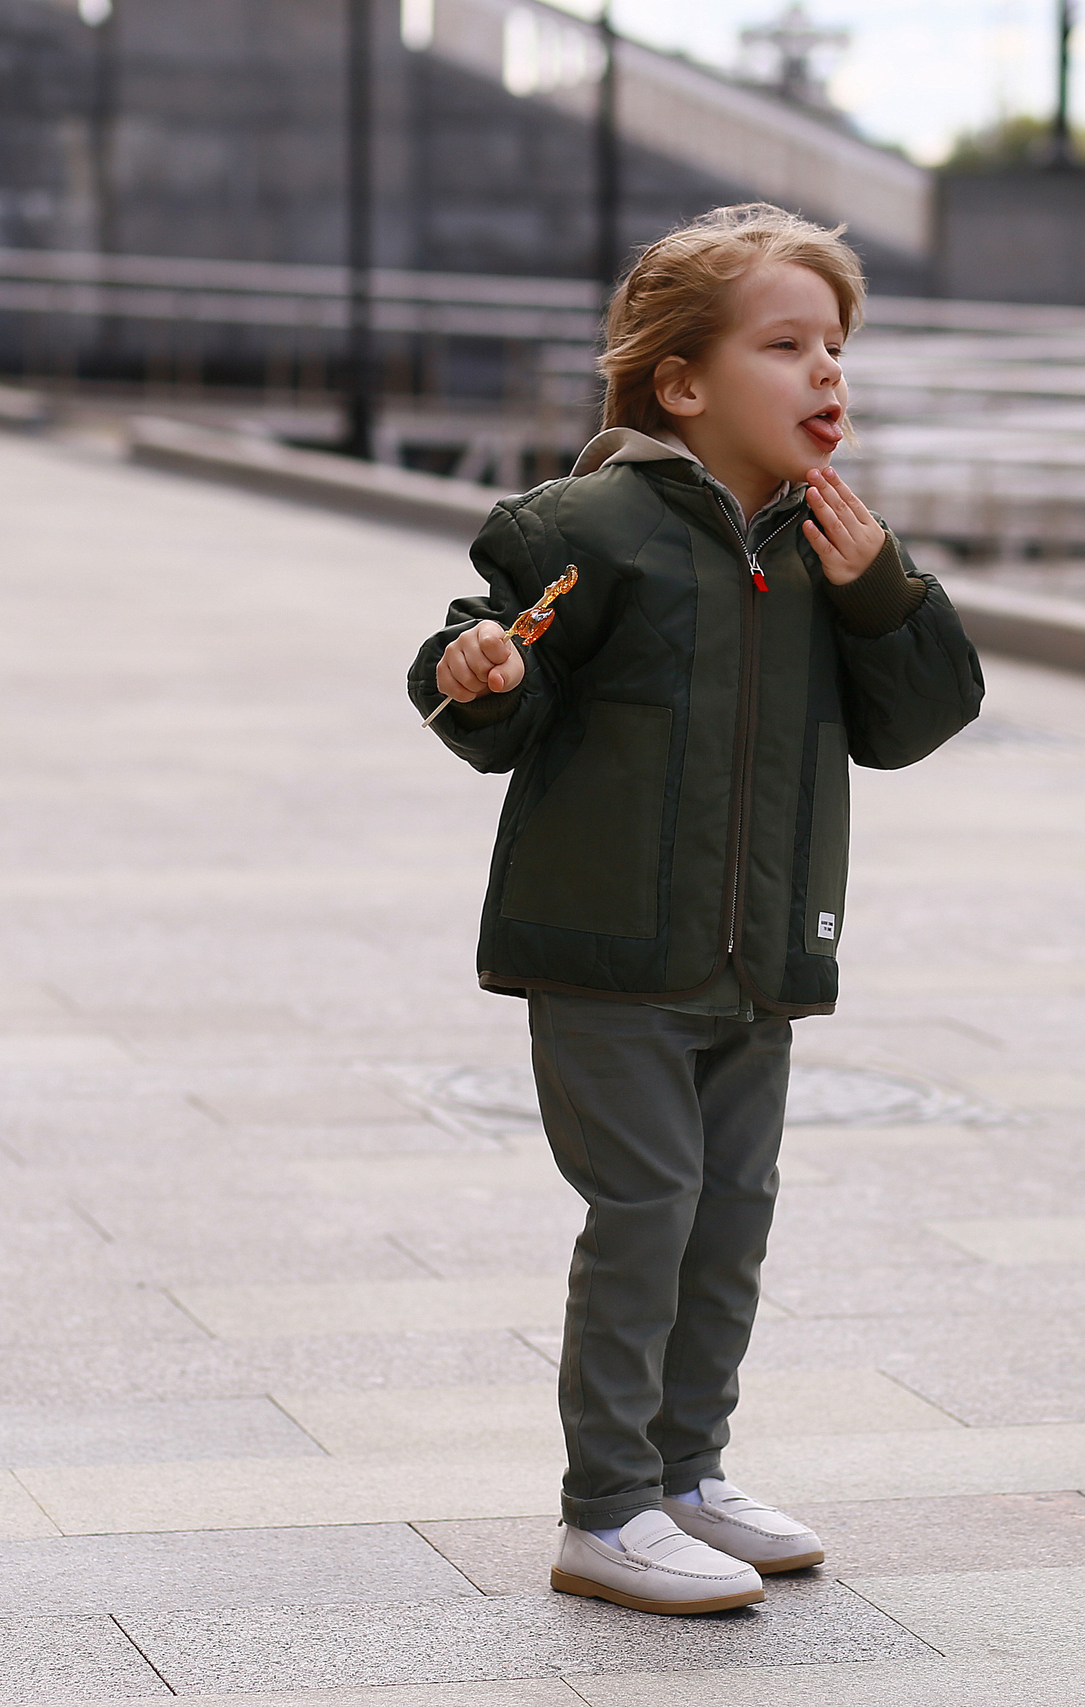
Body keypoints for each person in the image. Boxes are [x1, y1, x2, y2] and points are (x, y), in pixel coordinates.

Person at [410, 204, 982, 1613]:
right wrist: (474, 669)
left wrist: (880, 590)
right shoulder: (588, 525)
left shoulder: (829, 548)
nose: (825, 374)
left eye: (837, 347)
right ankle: (604, 1506)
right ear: (683, 382)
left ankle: (688, 1472)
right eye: (786, 345)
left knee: (731, 1212)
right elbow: (484, 666)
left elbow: (922, 717)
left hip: (763, 961)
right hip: (611, 956)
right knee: (648, 1206)